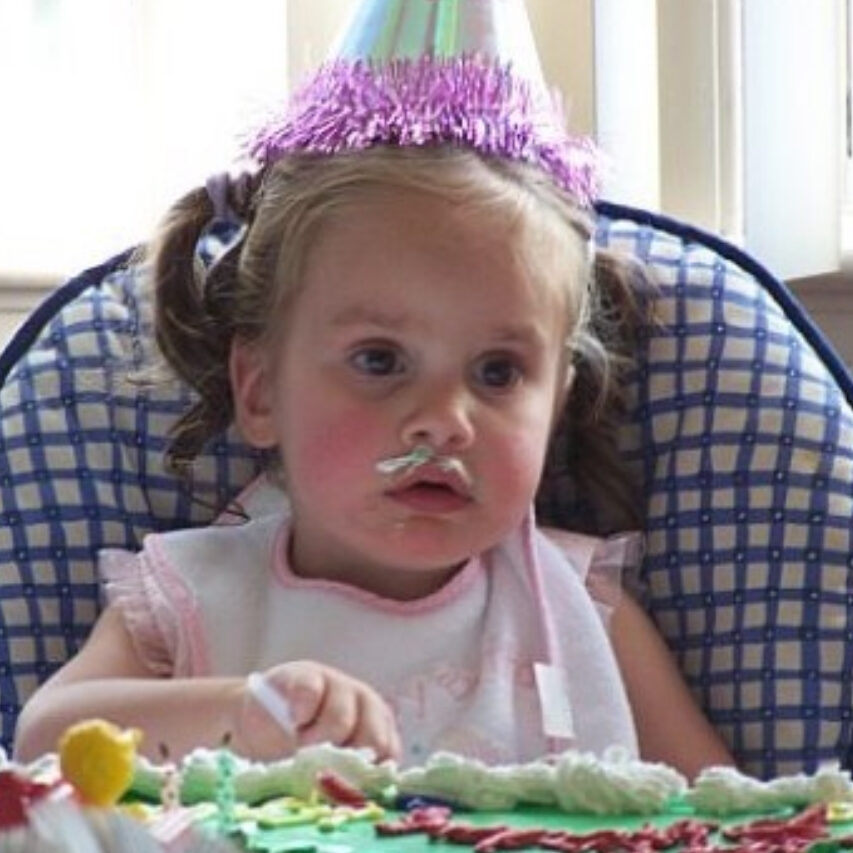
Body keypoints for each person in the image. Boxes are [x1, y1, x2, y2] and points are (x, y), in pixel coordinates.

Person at [15, 0, 734, 778]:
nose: (442, 422)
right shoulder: (193, 599)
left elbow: (735, 814)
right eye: (379, 360)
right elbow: (40, 742)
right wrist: (234, 711)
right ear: (258, 391)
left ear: (555, 398)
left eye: (497, 372)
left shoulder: (579, 605)